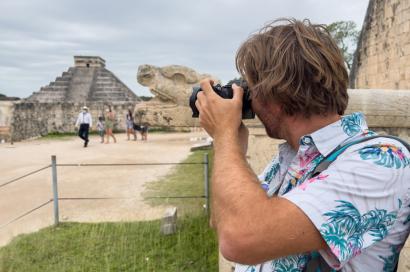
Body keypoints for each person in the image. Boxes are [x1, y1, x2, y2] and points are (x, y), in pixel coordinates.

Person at [195, 18, 410, 271]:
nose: (249, 100)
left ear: (277, 92)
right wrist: (231, 148)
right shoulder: (291, 158)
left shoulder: (382, 161)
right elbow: (223, 219)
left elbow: (238, 239)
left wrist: (224, 137)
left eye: (251, 89)